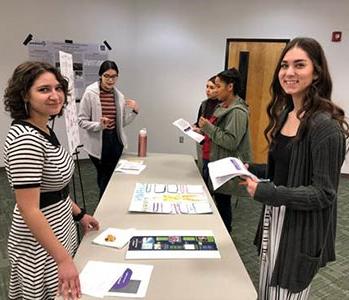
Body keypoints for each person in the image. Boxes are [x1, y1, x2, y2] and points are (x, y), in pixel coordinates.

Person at [240, 37, 349, 299]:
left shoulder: (326, 127)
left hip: (300, 228)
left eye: (299, 65)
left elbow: (323, 194)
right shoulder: (285, 115)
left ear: (316, 73)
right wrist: (251, 168)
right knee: (267, 291)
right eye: (284, 65)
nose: (289, 73)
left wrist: (268, 193)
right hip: (274, 219)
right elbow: (285, 170)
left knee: (285, 294)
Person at [3, 61, 100, 300]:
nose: (55, 96)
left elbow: (54, 191)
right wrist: (63, 259)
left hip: (59, 226)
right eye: (44, 89)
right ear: (24, 94)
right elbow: (29, 208)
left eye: (58, 88)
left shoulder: (43, 129)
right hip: (39, 243)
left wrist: (79, 214)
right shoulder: (25, 140)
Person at [198, 68, 252, 232]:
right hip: (215, 160)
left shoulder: (237, 112)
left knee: (222, 203)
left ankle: (225, 236)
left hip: (224, 165)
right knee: (217, 200)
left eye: (218, 86)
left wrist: (208, 128)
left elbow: (231, 141)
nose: (215, 90)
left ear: (230, 87)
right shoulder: (223, 106)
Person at [78, 60, 139, 199]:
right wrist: (99, 125)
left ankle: (108, 202)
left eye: (114, 76)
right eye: (107, 76)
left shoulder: (119, 96)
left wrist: (135, 112)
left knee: (111, 174)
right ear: (100, 76)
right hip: (98, 142)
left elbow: (121, 123)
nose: (110, 80)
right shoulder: (90, 93)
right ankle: (104, 207)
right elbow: (81, 121)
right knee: (105, 175)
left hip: (115, 141)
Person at [193, 75, 219, 185]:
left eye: (212, 87)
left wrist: (204, 129)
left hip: (215, 146)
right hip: (203, 144)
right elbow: (199, 122)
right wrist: (194, 128)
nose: (208, 90)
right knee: (204, 173)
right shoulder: (204, 104)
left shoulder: (223, 106)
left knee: (214, 180)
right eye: (207, 87)